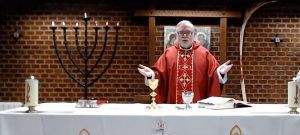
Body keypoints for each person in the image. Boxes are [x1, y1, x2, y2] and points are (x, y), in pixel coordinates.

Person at [138, 20, 233, 104]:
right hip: (173, 105)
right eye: (181, 32)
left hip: (197, 106)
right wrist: (151, 75)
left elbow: (213, 75)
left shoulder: (204, 54)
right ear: (176, 34)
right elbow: (159, 74)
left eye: (188, 32)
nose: (184, 35)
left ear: (194, 34)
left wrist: (220, 73)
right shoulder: (168, 53)